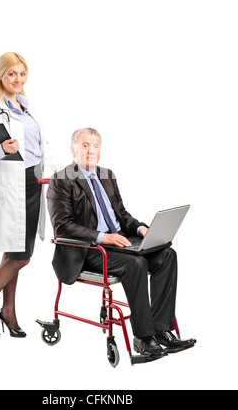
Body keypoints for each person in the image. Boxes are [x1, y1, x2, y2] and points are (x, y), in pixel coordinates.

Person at [46, 128, 195, 359]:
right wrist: (102, 237)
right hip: (87, 249)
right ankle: (143, 338)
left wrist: (140, 228)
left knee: (167, 255)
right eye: (85, 146)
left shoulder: (107, 175)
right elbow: (62, 226)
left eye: (96, 146)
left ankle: (162, 330)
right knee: (136, 264)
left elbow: (121, 215)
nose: (91, 151)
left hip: (119, 242)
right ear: (73, 149)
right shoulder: (61, 179)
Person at [0, 52, 61, 338]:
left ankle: (8, 310)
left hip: (34, 184)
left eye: (22, 74)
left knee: (13, 252)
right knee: (21, 257)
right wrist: (0, 151)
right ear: (1, 76)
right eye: (12, 74)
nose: (18, 79)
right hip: (13, 188)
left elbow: (39, 147)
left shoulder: (26, 107)